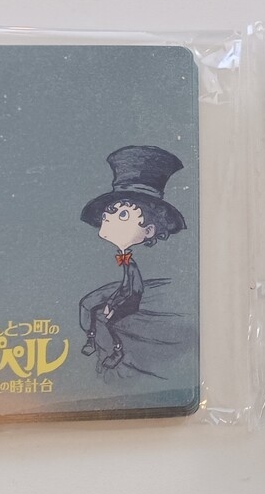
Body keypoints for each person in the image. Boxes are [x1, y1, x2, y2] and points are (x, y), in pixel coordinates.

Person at [79, 145, 186, 370]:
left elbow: (133, 290)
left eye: (123, 215)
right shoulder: (121, 255)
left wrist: (112, 304)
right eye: (109, 213)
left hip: (129, 297)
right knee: (86, 304)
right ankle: (91, 338)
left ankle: (116, 350)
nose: (109, 218)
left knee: (106, 319)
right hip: (120, 290)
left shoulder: (137, 262)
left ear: (148, 230)